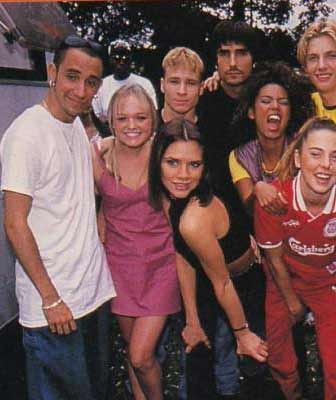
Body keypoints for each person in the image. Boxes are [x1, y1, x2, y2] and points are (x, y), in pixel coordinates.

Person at [0, 35, 115, 399]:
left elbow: (86, 188)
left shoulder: (75, 124)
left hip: (91, 295)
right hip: (54, 308)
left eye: (91, 82)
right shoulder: (26, 134)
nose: (80, 91)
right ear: (52, 73)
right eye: (72, 76)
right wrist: (50, 299)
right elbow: (14, 222)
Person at [255, 117, 336, 400]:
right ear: (298, 159)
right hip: (285, 281)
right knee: (279, 359)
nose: (326, 165)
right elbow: (274, 262)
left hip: (330, 284)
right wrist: (293, 303)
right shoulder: (274, 200)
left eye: (335, 157)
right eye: (316, 154)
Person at [147, 119, 268, 399]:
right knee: (199, 358)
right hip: (208, 279)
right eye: (172, 163)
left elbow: (223, 284)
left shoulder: (195, 217)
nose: (183, 175)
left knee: (256, 367)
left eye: (194, 165)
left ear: (204, 167)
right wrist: (192, 319)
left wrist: (242, 333)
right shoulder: (169, 198)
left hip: (244, 286)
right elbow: (184, 255)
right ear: (157, 162)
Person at [93, 84, 180, 400]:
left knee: (141, 356)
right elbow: (103, 210)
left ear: (153, 119)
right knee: (134, 352)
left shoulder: (164, 155)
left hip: (160, 266)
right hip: (119, 268)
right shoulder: (100, 155)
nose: (132, 125)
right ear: (111, 121)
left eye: (140, 117)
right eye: (122, 118)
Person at [198, 20, 270, 398]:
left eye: (241, 53)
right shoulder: (205, 101)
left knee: (262, 330)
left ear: (253, 58)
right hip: (213, 232)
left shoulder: (266, 99)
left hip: (262, 232)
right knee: (217, 334)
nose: (232, 62)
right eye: (224, 53)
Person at [229, 61, 314, 211]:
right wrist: (257, 190)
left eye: (283, 102)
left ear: (290, 112)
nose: (275, 106)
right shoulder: (239, 156)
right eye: (266, 101)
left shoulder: (306, 145)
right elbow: (250, 210)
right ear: (251, 112)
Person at [93, 39, 157, 123]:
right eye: (116, 58)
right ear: (110, 60)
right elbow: (97, 117)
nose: (121, 62)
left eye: (125, 58)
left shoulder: (145, 84)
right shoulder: (101, 86)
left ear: (130, 59)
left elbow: (153, 114)